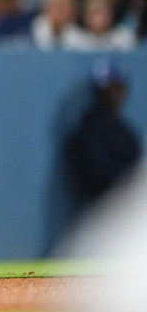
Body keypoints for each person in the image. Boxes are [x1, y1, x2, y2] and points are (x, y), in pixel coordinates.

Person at [63, 59, 143, 223]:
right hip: (104, 215)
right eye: (108, 89)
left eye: (117, 88)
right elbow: (100, 176)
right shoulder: (90, 130)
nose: (115, 94)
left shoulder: (121, 126)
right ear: (98, 92)